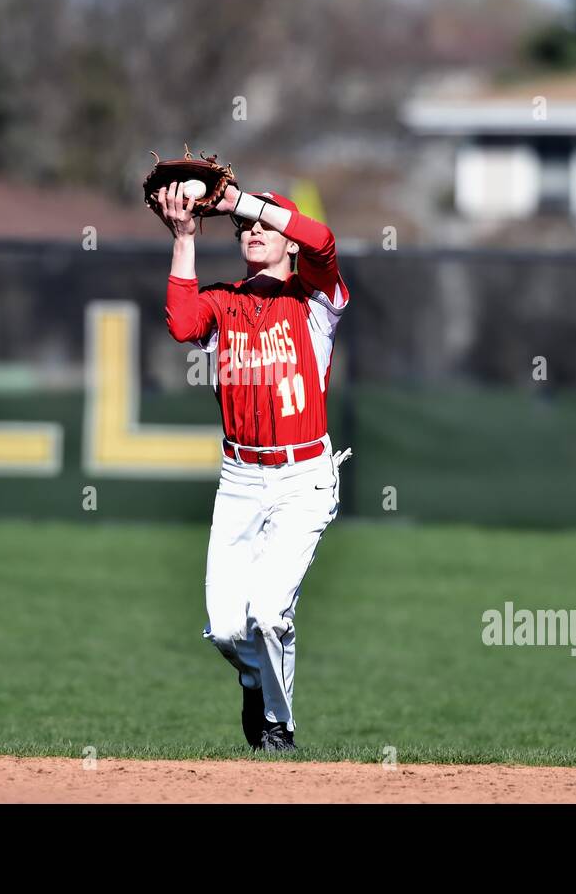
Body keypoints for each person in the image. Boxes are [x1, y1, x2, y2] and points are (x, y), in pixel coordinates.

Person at [158, 179, 350, 752]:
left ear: (290, 242)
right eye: (247, 227)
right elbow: (181, 323)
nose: (256, 231)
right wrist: (186, 235)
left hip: (302, 477)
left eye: (269, 223)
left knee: (268, 613)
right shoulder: (223, 301)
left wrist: (238, 203)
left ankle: (277, 726)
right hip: (240, 479)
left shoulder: (316, 302)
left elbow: (323, 240)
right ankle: (251, 677)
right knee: (224, 629)